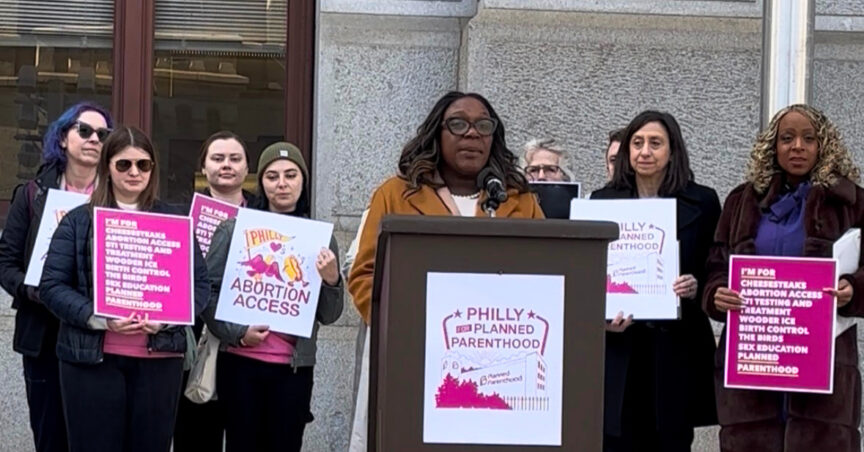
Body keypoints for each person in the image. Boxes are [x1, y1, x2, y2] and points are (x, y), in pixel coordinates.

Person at [346, 91, 544, 450]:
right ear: (437, 133)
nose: (471, 134)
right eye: (458, 124)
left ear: (493, 137)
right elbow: (364, 275)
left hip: (497, 368)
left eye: (483, 125)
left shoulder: (519, 199)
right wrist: (405, 325)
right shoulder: (396, 194)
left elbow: (547, 275)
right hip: (416, 361)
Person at [38, 126, 210, 452]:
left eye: (143, 165)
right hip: (91, 362)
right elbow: (52, 286)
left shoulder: (174, 221)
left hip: (159, 360)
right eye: (124, 164)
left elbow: (199, 285)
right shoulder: (77, 221)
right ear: (107, 167)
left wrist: (169, 319)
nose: (134, 172)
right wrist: (99, 318)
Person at [703, 104, 864, 452]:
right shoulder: (741, 201)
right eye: (787, 138)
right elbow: (717, 265)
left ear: (824, 145)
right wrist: (716, 292)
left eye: (809, 138)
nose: (797, 147)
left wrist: (854, 288)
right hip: (754, 360)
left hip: (824, 365)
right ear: (772, 146)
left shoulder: (850, 202)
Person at [201, 142, 344, 452]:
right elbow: (207, 295)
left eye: (291, 175)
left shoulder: (320, 237)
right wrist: (238, 334)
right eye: (272, 176)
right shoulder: (232, 229)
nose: (282, 183)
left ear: (303, 181)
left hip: (293, 370)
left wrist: (332, 279)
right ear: (261, 183)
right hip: (239, 366)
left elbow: (330, 315)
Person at [592, 110, 720, 451]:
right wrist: (601, 318)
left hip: (676, 348)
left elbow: (716, 269)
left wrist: (695, 287)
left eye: (655, 143)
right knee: (616, 440)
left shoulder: (704, 202)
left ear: (672, 151)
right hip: (621, 347)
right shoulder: (602, 202)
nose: (644, 152)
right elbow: (588, 274)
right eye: (637, 143)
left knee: (672, 441)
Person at [0, 101, 113, 452]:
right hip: (43, 333)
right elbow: (6, 263)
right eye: (85, 130)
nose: (94, 138)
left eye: (103, 134)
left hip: (99, 335)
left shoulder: (117, 199)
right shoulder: (32, 194)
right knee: (50, 434)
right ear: (63, 138)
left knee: (94, 437)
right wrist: (35, 291)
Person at [173, 130, 253, 452]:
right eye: (217, 158)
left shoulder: (265, 217)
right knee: (194, 436)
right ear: (203, 167)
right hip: (191, 340)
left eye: (235, 159)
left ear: (247, 168)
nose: (227, 165)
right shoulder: (178, 217)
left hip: (244, 344)